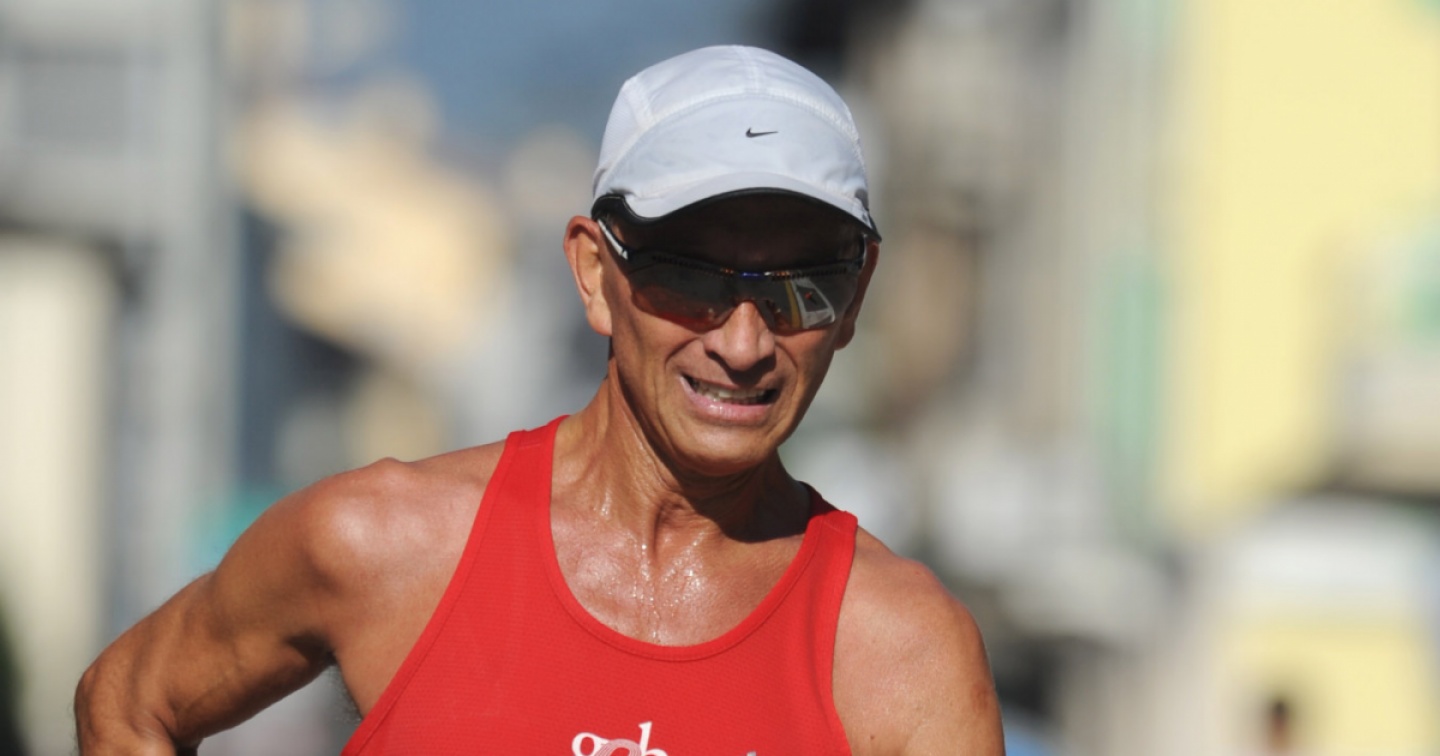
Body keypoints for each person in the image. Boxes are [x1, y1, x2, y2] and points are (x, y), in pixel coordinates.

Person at [75, 45, 1002, 755]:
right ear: (595, 275)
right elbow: (126, 706)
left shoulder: (903, 655)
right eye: (692, 277)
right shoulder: (385, 545)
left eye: (805, 286)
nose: (744, 344)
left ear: (857, 296)